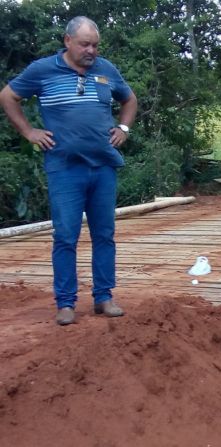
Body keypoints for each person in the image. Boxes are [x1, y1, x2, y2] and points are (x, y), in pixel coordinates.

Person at [0, 16, 138, 326]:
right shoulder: (43, 70)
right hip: (64, 168)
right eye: (85, 44)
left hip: (102, 166)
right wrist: (29, 132)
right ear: (67, 41)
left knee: (104, 234)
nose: (92, 50)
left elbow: (129, 99)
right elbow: (8, 96)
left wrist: (124, 127)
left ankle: (104, 297)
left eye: (95, 45)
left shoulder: (106, 70)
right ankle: (65, 303)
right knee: (65, 236)